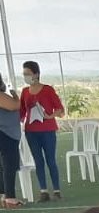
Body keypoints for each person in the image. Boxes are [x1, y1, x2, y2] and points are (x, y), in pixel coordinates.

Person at [19, 61, 64, 203]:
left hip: (47, 130)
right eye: (24, 74)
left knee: (51, 160)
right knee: (38, 161)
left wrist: (50, 116)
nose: (25, 76)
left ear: (36, 74)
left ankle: (56, 190)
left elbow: (60, 109)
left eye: (28, 73)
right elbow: (21, 112)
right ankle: (43, 191)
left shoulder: (48, 90)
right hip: (31, 132)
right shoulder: (25, 92)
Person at [0, 76, 22, 208]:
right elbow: (15, 105)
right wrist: (15, 95)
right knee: (9, 164)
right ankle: (10, 197)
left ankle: (3, 194)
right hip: (5, 133)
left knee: (3, 165)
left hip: (6, 132)